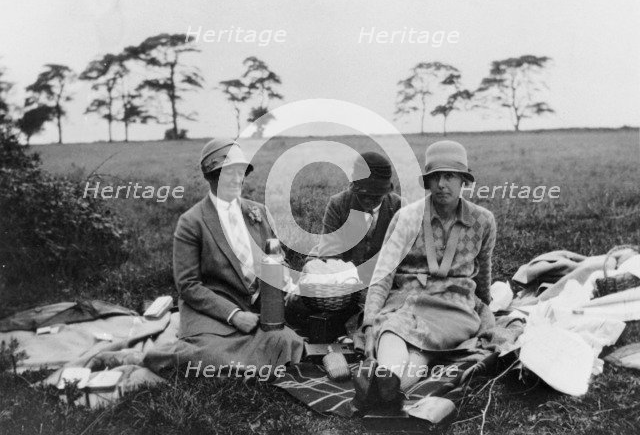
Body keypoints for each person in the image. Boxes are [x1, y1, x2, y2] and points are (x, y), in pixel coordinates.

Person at [354, 140, 497, 410]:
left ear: (463, 180)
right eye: (435, 177)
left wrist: (485, 306)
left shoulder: (482, 220)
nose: (442, 184)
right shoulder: (406, 218)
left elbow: (483, 271)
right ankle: (387, 379)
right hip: (409, 299)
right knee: (392, 329)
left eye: (450, 176)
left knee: (420, 346)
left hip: (454, 306)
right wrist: (370, 320)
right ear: (427, 181)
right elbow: (384, 274)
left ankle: (380, 387)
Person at [144, 138, 304, 375]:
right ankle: (167, 355)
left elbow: (276, 259)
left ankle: (246, 353)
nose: (237, 179)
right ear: (210, 177)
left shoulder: (258, 212)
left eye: (241, 172)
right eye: (227, 173)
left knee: (289, 343)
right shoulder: (191, 222)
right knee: (213, 356)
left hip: (260, 309)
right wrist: (234, 315)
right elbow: (188, 286)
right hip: (211, 312)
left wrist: (286, 286)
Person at [286, 152, 404, 331]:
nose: (368, 201)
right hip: (341, 284)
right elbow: (329, 255)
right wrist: (348, 279)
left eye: (375, 196)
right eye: (363, 195)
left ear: (386, 192)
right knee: (296, 307)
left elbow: (398, 260)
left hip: (381, 282)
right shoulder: (339, 204)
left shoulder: (400, 208)